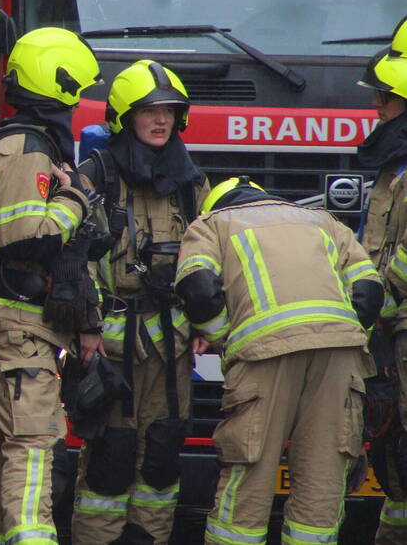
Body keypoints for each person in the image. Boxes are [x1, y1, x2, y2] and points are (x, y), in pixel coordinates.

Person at [174, 177, 383, 545]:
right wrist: (344, 335)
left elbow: (199, 291)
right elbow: (369, 291)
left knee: (249, 476)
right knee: (323, 477)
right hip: (339, 356)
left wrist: (227, 338)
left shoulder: (211, 224)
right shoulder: (324, 221)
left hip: (263, 357)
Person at [0, 27, 104, 545]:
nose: (80, 101)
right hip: (17, 321)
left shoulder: (12, 140)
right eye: (77, 90)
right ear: (59, 84)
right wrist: (76, 201)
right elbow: (27, 237)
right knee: (34, 443)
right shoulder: (27, 148)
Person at [69, 60, 210, 545]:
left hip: (171, 345)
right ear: (125, 117)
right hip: (111, 347)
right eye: (149, 110)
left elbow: (206, 260)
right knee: (110, 459)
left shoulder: (192, 184)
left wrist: (206, 324)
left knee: (163, 455)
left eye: (170, 111)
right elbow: (79, 258)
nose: (161, 120)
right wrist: (87, 328)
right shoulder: (96, 176)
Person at [356, 32, 407, 542]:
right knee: (394, 452)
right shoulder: (394, 166)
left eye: (386, 96)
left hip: (400, 321)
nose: (376, 106)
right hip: (392, 327)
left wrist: (375, 303)